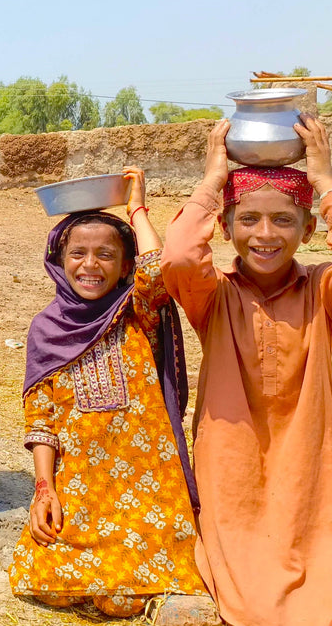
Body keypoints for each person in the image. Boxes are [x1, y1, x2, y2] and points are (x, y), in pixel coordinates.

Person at [10, 167, 207, 619]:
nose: (90, 265)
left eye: (106, 254)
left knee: (167, 575)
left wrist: (136, 207)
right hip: (84, 484)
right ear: (59, 262)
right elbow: (40, 419)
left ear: (124, 266)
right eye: (77, 253)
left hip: (151, 487)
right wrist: (45, 489)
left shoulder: (138, 311)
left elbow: (161, 269)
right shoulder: (46, 330)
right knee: (42, 576)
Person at [161, 116, 332, 626]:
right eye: (248, 219)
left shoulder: (321, 289)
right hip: (233, 468)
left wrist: (324, 182)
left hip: (312, 468)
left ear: (309, 228)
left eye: (283, 220)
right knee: (252, 598)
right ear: (226, 226)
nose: (265, 234)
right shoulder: (215, 295)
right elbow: (176, 256)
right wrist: (212, 181)